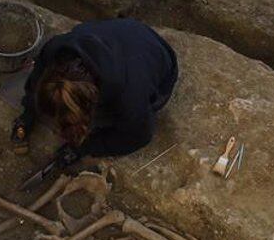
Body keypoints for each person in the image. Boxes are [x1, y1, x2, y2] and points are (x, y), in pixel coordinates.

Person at [14, 18, 179, 161]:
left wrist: (86, 147)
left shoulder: (130, 98)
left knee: (108, 122)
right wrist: (29, 112)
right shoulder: (56, 49)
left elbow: (138, 137)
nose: (55, 131)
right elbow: (36, 79)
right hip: (122, 34)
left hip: (157, 59)